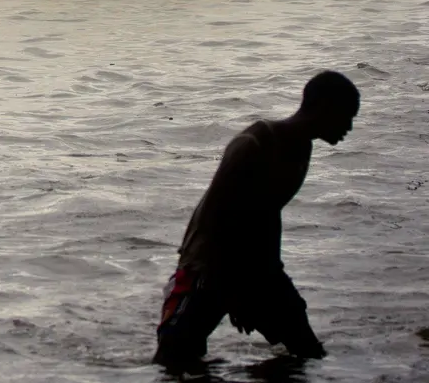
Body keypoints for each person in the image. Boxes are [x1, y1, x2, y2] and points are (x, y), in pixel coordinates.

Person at [153, 70, 360, 369]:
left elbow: (268, 215)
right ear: (324, 107)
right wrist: (237, 293)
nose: (349, 127)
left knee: (307, 353)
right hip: (209, 265)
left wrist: (267, 280)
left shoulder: (301, 148)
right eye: (346, 116)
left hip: (257, 267)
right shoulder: (255, 142)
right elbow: (218, 221)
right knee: (173, 360)